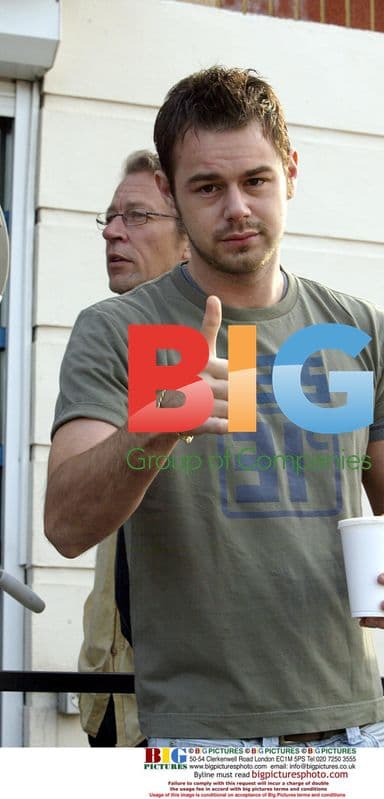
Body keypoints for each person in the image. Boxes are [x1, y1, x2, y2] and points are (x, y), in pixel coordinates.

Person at [45, 67, 384, 749]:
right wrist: (156, 427)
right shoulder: (116, 330)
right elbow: (65, 524)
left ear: (290, 171)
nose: (237, 207)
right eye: (208, 187)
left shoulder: (359, 329)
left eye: (255, 180)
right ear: (171, 192)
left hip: (354, 724)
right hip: (201, 737)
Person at [78, 149, 189, 747]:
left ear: (188, 241)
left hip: (194, 716)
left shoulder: (225, 351)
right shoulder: (108, 340)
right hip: (117, 690)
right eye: (110, 216)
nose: (113, 231)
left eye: (138, 216)